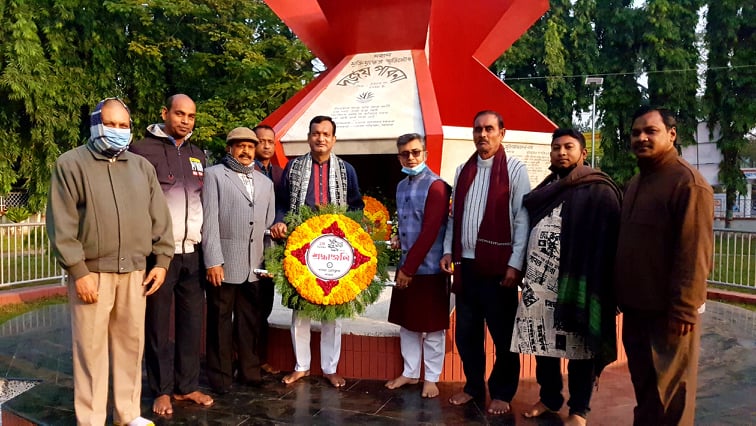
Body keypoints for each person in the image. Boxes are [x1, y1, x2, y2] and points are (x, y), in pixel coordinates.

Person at [47, 98, 174, 426]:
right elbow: (62, 224)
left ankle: (127, 414)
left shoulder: (142, 168)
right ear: (95, 125)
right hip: (92, 274)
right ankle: (90, 419)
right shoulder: (71, 164)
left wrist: (161, 261)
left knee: (131, 346)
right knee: (90, 351)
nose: (118, 131)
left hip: (135, 273)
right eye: (111, 124)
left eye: (124, 125)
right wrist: (78, 271)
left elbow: (160, 218)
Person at [510, 128, 621, 426]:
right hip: (541, 284)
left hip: (579, 281)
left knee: (580, 348)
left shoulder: (599, 189)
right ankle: (549, 398)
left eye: (568, 147)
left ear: (583, 153)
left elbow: (611, 239)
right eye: (556, 147)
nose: (561, 152)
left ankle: (579, 410)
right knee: (543, 346)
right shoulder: (548, 187)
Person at [615, 106, 714, 426]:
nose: (641, 138)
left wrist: (684, 308)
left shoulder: (688, 184)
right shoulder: (636, 182)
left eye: (650, 131)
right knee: (645, 391)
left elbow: (695, 252)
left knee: (671, 397)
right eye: (636, 132)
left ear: (671, 135)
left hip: (670, 315)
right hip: (636, 309)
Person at [439, 110, 530, 415]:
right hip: (466, 267)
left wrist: (515, 264)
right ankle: (474, 386)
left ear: (502, 133)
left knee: (503, 336)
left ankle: (502, 392)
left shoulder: (515, 170)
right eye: (478, 129)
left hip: (499, 269)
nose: (483, 134)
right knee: (467, 334)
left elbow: (522, 219)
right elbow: (454, 216)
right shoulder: (463, 171)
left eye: (489, 129)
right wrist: (448, 251)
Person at [130, 94, 213, 415]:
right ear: (165, 113)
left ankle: (186, 386)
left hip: (193, 252)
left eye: (191, 116)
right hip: (158, 256)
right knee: (157, 326)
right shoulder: (141, 150)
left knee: (191, 324)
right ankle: (161, 390)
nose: (185, 121)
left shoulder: (198, 155)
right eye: (179, 114)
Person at [269, 115, 364, 388]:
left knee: (333, 309)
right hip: (302, 247)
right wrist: (280, 221)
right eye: (316, 133)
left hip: (335, 249)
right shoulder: (294, 167)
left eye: (326, 134)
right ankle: (301, 366)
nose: (320, 138)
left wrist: (352, 231)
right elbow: (282, 203)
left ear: (334, 139)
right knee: (301, 310)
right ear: (309, 137)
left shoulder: (346, 170)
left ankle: (330, 368)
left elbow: (356, 205)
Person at [201, 127, 276, 394]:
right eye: (240, 146)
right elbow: (209, 221)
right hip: (223, 264)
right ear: (229, 149)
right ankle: (220, 378)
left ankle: (249, 372)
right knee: (219, 323)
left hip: (254, 266)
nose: (246, 151)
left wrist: (270, 263)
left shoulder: (266, 183)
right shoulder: (214, 175)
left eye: (250, 146)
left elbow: (268, 227)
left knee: (250, 322)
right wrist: (213, 261)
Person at [385, 133, 451, 398]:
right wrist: (397, 237)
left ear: (425, 154)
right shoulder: (401, 186)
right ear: (398, 157)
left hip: (429, 268)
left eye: (415, 152)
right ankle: (410, 372)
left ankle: (431, 378)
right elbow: (406, 221)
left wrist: (408, 269)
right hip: (407, 265)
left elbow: (431, 230)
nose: (411, 158)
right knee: (408, 324)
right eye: (405, 154)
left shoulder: (437, 186)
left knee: (432, 328)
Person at [253, 124, 283, 375]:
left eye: (270, 141)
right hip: (248, 248)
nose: (265, 145)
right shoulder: (243, 171)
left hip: (271, 250)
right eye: (260, 141)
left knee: (265, 306)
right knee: (245, 308)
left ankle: (260, 357)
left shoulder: (281, 173)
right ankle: (242, 357)